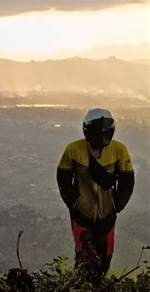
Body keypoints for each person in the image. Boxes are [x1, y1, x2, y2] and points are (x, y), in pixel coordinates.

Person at [56, 108, 135, 280]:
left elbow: (127, 181)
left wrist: (117, 204)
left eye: (106, 135)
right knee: (84, 259)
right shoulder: (73, 150)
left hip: (107, 215)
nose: (103, 139)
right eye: (99, 135)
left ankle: (95, 285)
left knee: (105, 260)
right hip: (81, 215)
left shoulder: (119, 150)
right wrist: (74, 204)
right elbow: (63, 179)